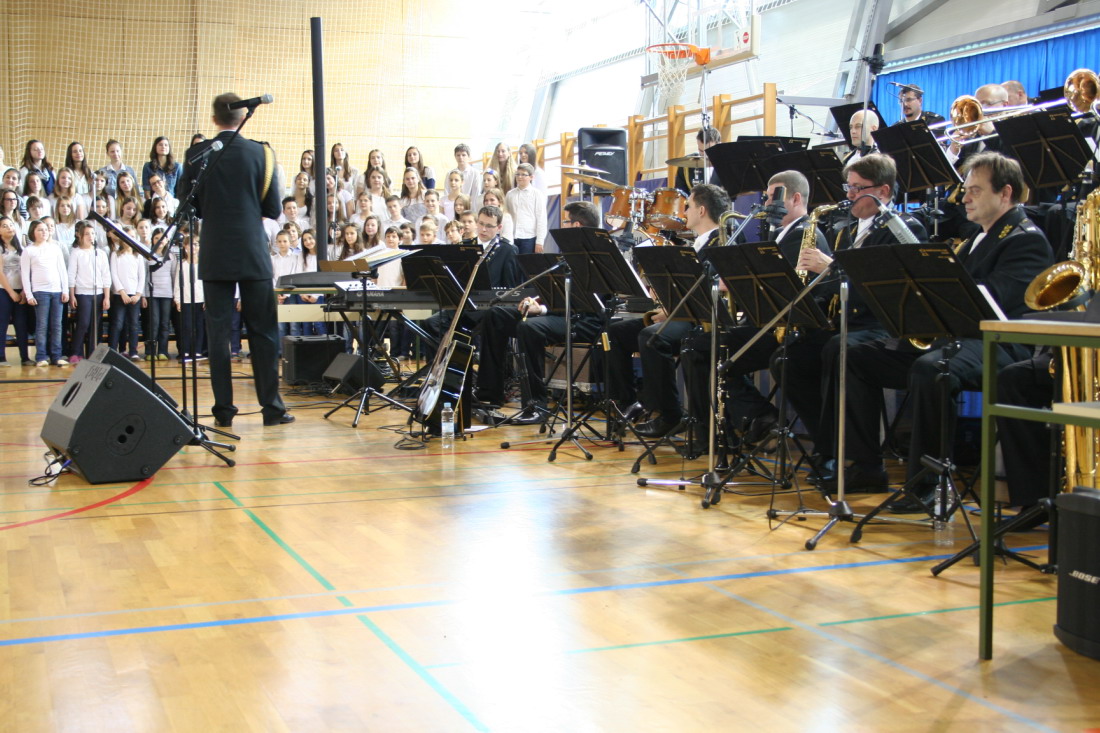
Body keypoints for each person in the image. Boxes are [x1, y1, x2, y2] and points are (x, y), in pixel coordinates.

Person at [841, 152, 1052, 506]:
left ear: (1005, 193)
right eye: (966, 190)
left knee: (932, 369)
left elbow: (990, 305)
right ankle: (865, 466)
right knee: (857, 357)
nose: (965, 198)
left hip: (1001, 344)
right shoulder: (977, 238)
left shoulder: (1025, 238)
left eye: (975, 190)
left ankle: (925, 486)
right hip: (958, 339)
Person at [781, 153, 928, 489]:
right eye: (848, 186)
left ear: (884, 191)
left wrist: (831, 268)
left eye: (858, 188)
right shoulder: (845, 230)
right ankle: (827, 444)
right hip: (847, 322)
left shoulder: (903, 229)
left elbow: (887, 289)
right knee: (789, 357)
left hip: (881, 325)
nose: (849, 195)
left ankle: (860, 461)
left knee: (839, 350)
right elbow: (835, 287)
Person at [679, 170, 831, 442]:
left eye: (773, 196)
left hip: (789, 330)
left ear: (796, 199)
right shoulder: (782, 234)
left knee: (704, 349)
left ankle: (752, 419)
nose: (767, 203)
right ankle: (739, 424)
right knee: (699, 347)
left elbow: (785, 290)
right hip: (766, 325)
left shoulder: (804, 235)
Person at [179, 92, 291, 427]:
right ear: (244, 117)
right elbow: (273, 208)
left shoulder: (197, 154)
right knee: (263, 332)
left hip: (215, 253)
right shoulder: (262, 153)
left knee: (217, 335)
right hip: (253, 252)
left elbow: (189, 205)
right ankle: (272, 409)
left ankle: (223, 411)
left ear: (214, 119)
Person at [609, 184, 729, 438]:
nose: (684, 212)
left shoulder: (721, 242)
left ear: (702, 210)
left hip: (700, 320)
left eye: (688, 207)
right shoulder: (697, 243)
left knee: (652, 338)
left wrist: (672, 310)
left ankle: (670, 415)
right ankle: (628, 404)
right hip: (681, 313)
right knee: (616, 332)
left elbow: (707, 295)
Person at [20, 219, 70, 366]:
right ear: (33, 232)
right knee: (42, 325)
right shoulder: (29, 250)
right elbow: (25, 274)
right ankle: (41, 356)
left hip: (57, 291)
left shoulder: (55, 248)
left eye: (46, 229)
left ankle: (56, 355)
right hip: (40, 291)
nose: (44, 232)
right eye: (40, 230)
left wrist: (65, 290)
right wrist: (29, 294)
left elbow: (62, 270)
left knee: (57, 325)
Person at [67, 220, 111, 362]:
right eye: (87, 234)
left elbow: (106, 275)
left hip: (98, 293)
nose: (90, 236)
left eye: (92, 233)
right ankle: (76, 352)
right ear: (80, 236)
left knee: (96, 325)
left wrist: (106, 297)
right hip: (82, 293)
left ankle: (93, 353)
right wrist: (72, 295)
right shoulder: (76, 253)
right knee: (83, 323)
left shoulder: (100, 253)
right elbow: (71, 275)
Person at [108, 225, 146, 360]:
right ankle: (112, 351)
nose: (130, 239)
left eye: (132, 237)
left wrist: (138, 294)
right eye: (127, 237)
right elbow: (114, 274)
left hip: (134, 295)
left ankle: (133, 351)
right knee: (118, 323)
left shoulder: (138, 255)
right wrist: (122, 292)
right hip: (120, 295)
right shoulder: (115, 254)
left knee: (134, 325)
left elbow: (142, 276)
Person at [0, 216, 32, 366]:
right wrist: (11, 292)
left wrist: (25, 291)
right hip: (4, 290)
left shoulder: (21, 248)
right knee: (3, 323)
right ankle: (1, 357)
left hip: (21, 290)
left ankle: (25, 357)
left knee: (21, 324)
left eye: (11, 225)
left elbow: (26, 271)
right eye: (4, 226)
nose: (9, 228)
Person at [504, 163, 547, 255]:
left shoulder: (537, 194)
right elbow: (506, 216)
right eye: (518, 174)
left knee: (526, 263)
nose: (520, 177)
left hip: (529, 237)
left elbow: (541, 218)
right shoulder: (510, 194)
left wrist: (540, 241)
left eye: (523, 174)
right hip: (512, 236)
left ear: (531, 177)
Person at [674, 127, 722, 192]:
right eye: (701, 151)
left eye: (709, 150)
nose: (705, 155)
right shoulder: (686, 165)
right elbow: (680, 193)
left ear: (719, 144)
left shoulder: (728, 164)